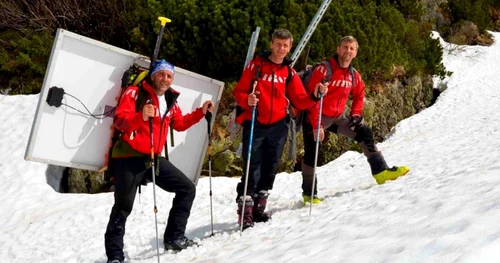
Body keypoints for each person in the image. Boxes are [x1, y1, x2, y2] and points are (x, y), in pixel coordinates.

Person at [104, 59, 213, 263]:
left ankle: (174, 237)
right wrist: (141, 117)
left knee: (187, 189)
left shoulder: (170, 99)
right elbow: (120, 120)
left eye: (169, 76)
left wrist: (201, 112)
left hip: (153, 159)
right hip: (129, 157)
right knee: (122, 207)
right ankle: (115, 256)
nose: (165, 79)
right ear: (153, 75)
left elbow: (179, 124)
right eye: (161, 74)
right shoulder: (135, 93)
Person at [232, 29, 328, 229]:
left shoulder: (289, 72)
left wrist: (315, 95)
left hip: (278, 125)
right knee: (252, 165)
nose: (281, 49)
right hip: (255, 122)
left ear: (289, 47)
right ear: (271, 44)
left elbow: (300, 99)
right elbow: (239, 91)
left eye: (285, 45)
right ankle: (245, 212)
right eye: (278, 44)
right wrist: (247, 100)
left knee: (271, 165)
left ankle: (259, 208)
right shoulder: (256, 66)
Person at [301, 36, 410, 204]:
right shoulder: (324, 70)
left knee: (364, 132)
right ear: (338, 49)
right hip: (316, 116)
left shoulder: (353, 75)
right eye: (345, 47)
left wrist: (356, 114)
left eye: (351, 49)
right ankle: (309, 194)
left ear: (356, 53)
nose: (347, 51)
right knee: (312, 152)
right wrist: (316, 125)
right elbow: (312, 99)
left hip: (337, 118)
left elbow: (359, 94)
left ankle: (381, 172)